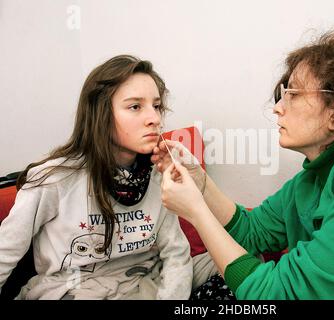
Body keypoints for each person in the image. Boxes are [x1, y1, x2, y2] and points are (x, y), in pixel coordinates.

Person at [153, 28, 334, 299]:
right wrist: (200, 182)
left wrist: (196, 211)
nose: (278, 108)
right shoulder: (312, 180)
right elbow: (251, 231)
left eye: (293, 94)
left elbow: (274, 297)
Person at [0, 55, 193, 299]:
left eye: (156, 106)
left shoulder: (158, 173)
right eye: (135, 106)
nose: (154, 118)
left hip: (142, 284)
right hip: (74, 290)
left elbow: (176, 254)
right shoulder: (55, 178)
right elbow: (4, 253)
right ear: (100, 113)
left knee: (230, 268)